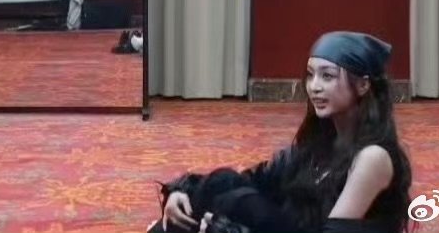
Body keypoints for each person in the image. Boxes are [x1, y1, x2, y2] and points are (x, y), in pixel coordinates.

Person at [152, 31, 412, 233]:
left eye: (327, 77)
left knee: (239, 205)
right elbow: (250, 180)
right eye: (310, 75)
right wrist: (183, 192)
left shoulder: (372, 157)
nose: (314, 87)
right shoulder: (318, 144)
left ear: (363, 85)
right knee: (222, 186)